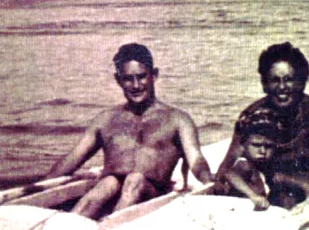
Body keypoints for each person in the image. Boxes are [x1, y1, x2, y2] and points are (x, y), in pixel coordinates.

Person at [45, 43, 213, 218]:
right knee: (107, 183)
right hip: (110, 194)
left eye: (141, 77)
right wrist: (43, 184)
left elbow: (196, 159)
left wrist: (208, 180)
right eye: (127, 79)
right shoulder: (106, 119)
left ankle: (106, 228)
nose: (135, 85)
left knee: (134, 180)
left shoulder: (177, 119)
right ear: (118, 80)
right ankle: (68, 229)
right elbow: (72, 159)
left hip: (150, 196)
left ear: (154, 75)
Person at [216, 42, 309, 210]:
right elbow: (225, 170)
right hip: (267, 191)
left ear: (301, 83)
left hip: (305, 189)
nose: (282, 88)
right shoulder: (253, 116)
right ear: (265, 85)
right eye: (275, 80)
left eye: (288, 80)